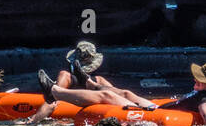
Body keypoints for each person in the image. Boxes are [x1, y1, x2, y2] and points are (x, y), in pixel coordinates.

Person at [31, 42, 161, 121]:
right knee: (125, 93)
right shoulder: (97, 79)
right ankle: (90, 85)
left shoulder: (67, 76)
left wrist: (33, 121)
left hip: (102, 104)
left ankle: (60, 90)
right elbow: (51, 104)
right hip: (85, 98)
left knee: (115, 94)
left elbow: (116, 105)